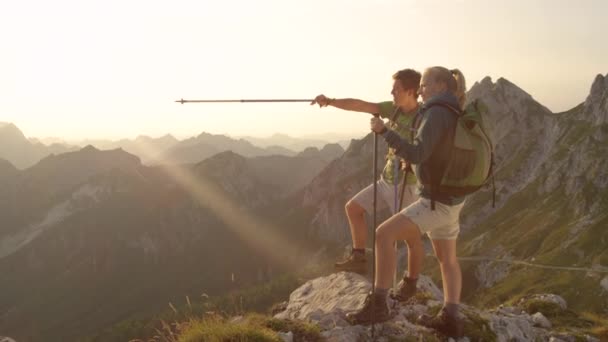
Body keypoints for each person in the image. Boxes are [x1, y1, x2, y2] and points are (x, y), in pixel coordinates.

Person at [347, 66, 468, 338]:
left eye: (425, 85)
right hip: (452, 199)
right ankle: (451, 319)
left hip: (435, 200)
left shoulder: (436, 112)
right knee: (447, 259)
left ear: (441, 87)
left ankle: (379, 305)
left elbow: (417, 153)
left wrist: (384, 132)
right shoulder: (454, 109)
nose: (422, 90)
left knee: (383, 235)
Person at [311, 69, 421, 275]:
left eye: (396, 89)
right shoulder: (393, 109)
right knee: (353, 208)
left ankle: (410, 282)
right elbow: (360, 105)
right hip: (387, 179)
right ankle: (359, 257)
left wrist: (386, 131)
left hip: (407, 185)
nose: (391, 92)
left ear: (410, 91)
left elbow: (420, 152)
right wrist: (330, 101)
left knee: (410, 237)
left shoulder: (423, 117)